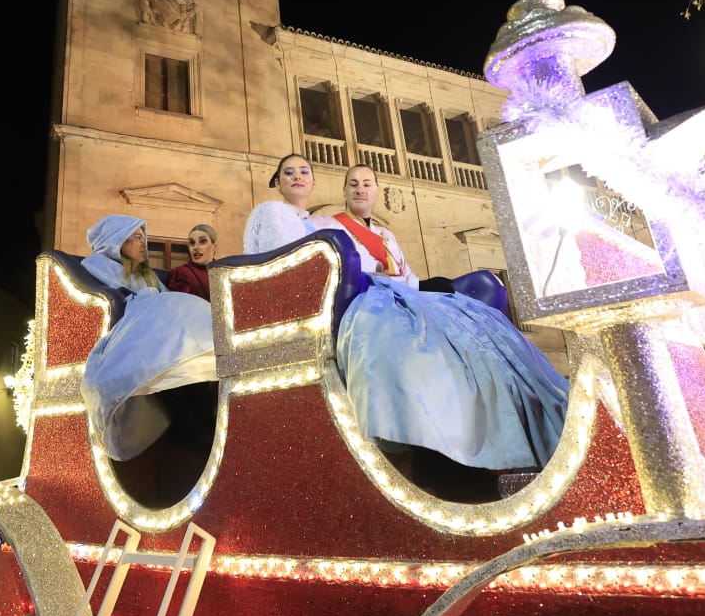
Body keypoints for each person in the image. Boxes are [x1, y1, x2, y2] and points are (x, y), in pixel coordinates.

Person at [242, 154, 570, 486]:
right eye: (353, 184)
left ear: (376, 191)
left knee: (477, 325)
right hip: (371, 296)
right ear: (343, 190)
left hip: (404, 294)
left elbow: (408, 275)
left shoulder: (387, 236)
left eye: (367, 184)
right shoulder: (327, 223)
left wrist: (429, 284)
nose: (360, 189)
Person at [78, 214, 217, 460]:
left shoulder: (146, 274)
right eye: (135, 238)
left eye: (144, 238)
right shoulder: (99, 264)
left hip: (156, 320)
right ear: (116, 241)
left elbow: (164, 297)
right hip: (136, 323)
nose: (144, 244)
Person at [165, 224, 216, 301]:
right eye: (192, 243)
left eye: (202, 241)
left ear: (214, 246)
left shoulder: (224, 273)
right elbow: (178, 308)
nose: (196, 247)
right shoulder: (180, 273)